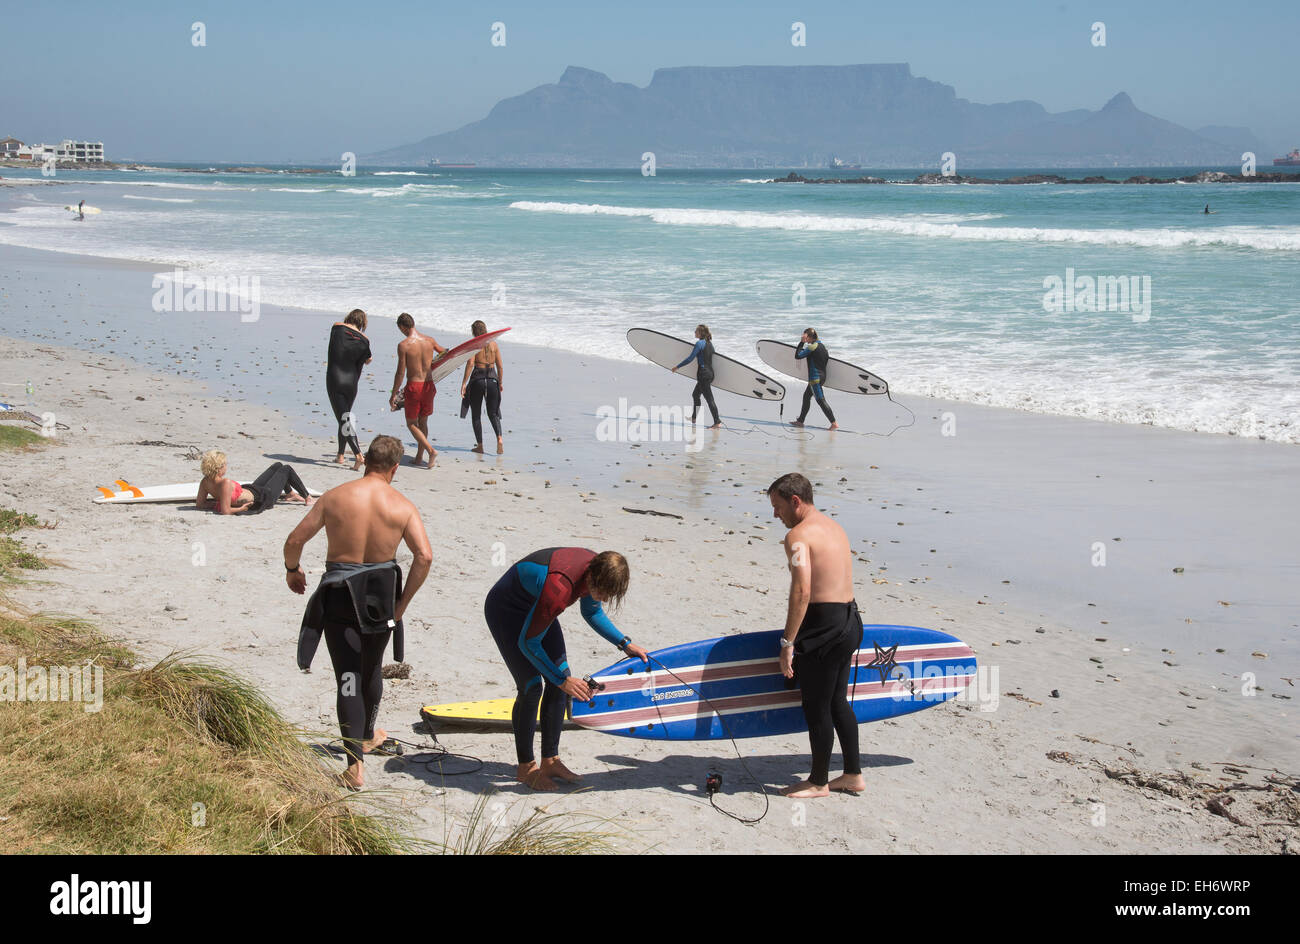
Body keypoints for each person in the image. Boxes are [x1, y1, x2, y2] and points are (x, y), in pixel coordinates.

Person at [284, 435, 432, 790]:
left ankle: (354, 765)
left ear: (365, 460)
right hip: (380, 601)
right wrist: (402, 605)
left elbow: (294, 540)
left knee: (347, 677)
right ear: (395, 468)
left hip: (339, 597)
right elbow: (424, 557)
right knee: (370, 670)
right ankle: (366, 735)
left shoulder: (336, 497)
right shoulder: (403, 506)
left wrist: (293, 570)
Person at [484, 547, 649, 791]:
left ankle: (550, 761)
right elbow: (528, 643)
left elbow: (591, 611)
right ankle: (526, 768)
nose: (602, 597)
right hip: (506, 611)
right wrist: (562, 680)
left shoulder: (599, 569)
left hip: (538, 608)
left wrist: (624, 643)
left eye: (608, 594)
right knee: (531, 687)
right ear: (592, 576)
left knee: (560, 679)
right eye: (601, 591)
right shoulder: (559, 588)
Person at [768, 472, 864, 798]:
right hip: (851, 621)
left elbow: (802, 590)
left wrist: (787, 642)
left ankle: (819, 781)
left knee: (816, 705)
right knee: (838, 700)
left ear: (795, 501)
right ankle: (852, 774)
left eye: (778, 506)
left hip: (824, 627)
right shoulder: (834, 527)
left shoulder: (797, 536)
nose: (775, 514)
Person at [389, 313, 446, 468]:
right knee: (423, 421)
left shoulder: (404, 345)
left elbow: (400, 372)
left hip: (414, 387)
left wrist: (393, 394)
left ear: (402, 327)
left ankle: (430, 450)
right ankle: (419, 456)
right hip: (429, 386)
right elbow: (444, 353)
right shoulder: (429, 340)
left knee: (411, 423)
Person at [197, 450, 314, 515]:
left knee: (277, 466)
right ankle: (307, 497)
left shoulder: (205, 482)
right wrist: (241, 508)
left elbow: (200, 504)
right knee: (286, 469)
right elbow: (226, 511)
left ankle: (290, 494)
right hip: (263, 498)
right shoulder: (225, 483)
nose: (226, 467)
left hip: (253, 489)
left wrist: (217, 503)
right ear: (219, 468)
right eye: (225, 464)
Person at [326, 308, 372, 470]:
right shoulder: (365, 340)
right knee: (344, 417)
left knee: (344, 418)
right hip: (352, 383)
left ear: (349, 317)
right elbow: (368, 359)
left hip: (335, 380)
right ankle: (340, 455)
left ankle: (358, 455)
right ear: (362, 322)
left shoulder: (337, 328)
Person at [459, 319, 504, 454]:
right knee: (493, 413)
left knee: (476, 414)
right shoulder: (494, 345)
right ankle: (499, 438)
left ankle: (480, 446)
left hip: (478, 380)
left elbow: (470, 364)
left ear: (474, 332)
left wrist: (464, 383)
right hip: (492, 380)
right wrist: (500, 382)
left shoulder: (475, 345)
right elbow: (500, 366)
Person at [671, 324, 721, 428]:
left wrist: (677, 366)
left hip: (703, 375)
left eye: (696, 331)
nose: (694, 332)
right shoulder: (710, 344)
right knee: (695, 394)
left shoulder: (699, 344)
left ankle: (717, 422)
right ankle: (694, 417)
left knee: (709, 399)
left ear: (700, 333)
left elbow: (690, 358)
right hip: (710, 373)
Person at [789, 328, 838, 430]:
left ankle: (834, 423)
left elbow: (798, 356)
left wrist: (801, 343)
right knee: (806, 396)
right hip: (822, 376)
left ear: (810, 337)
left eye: (805, 337)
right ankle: (800, 421)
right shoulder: (823, 347)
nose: (805, 339)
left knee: (820, 400)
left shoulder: (812, 347)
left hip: (815, 378)